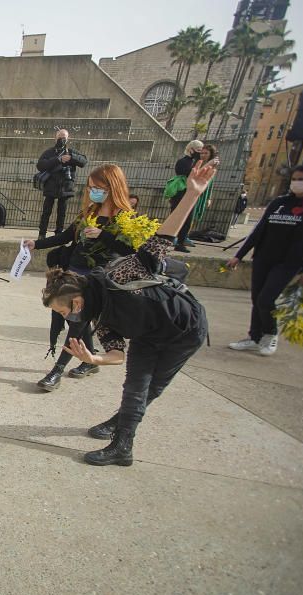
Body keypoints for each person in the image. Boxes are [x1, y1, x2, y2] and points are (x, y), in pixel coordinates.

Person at [40, 161, 217, 466]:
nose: (67, 318)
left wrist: (192, 194)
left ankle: (120, 430)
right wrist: (93, 360)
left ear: (77, 301)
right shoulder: (98, 316)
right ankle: (123, 444)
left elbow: (161, 242)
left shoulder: (119, 275)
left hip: (184, 330)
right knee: (136, 385)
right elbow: (117, 354)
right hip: (148, 335)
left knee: (153, 387)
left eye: (64, 311)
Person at [23, 164, 136, 390]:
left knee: (77, 321)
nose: (93, 191)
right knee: (78, 320)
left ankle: (57, 371)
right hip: (74, 272)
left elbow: (130, 252)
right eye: (91, 187)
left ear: (113, 187)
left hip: (96, 279)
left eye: (98, 187)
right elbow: (66, 236)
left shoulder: (125, 218)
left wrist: (104, 236)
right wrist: (37, 244)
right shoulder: (89, 212)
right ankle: (90, 359)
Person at [225, 163, 303, 356]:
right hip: (264, 257)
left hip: (290, 262)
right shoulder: (279, 203)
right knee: (257, 298)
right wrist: (238, 255)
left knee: (266, 298)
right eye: (294, 179)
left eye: (301, 179)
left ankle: (270, 334)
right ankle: (254, 337)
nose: (296, 183)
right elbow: (258, 230)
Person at [36, 129, 88, 238]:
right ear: (55, 138)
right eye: (60, 137)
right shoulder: (49, 152)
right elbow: (40, 165)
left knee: (62, 213)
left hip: (65, 187)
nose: (62, 139)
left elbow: (84, 161)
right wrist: (58, 160)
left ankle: (59, 233)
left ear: (68, 138)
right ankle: (42, 233)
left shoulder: (71, 152)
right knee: (46, 212)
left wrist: (72, 158)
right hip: (51, 186)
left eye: (64, 137)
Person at [176, 143, 218, 252]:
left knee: (191, 217)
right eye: (200, 152)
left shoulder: (209, 165)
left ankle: (183, 238)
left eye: (205, 152)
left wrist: (208, 196)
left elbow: (210, 182)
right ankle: (178, 239)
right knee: (184, 217)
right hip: (187, 192)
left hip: (199, 192)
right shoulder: (189, 162)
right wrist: (208, 164)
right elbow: (194, 176)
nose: (202, 154)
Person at [167, 140, 203, 252]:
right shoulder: (183, 162)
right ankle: (171, 240)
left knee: (188, 219)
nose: (200, 153)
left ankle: (181, 242)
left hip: (189, 193)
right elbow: (186, 174)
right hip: (181, 193)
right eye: (198, 150)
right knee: (176, 217)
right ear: (191, 149)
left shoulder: (194, 162)